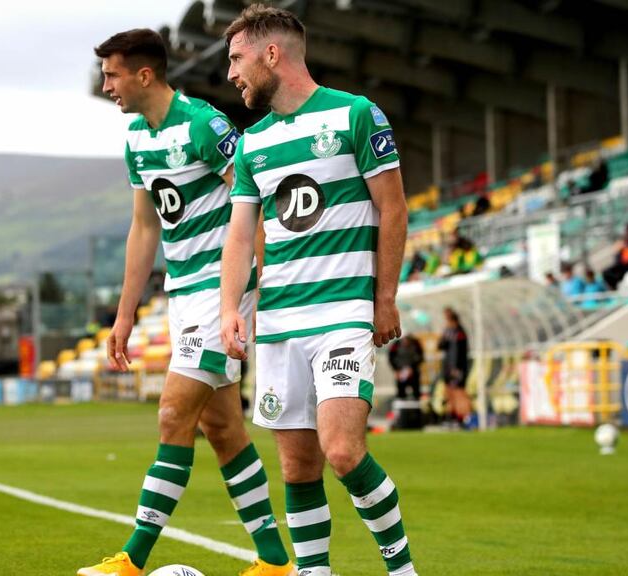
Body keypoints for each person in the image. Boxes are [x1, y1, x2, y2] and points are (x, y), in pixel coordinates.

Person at [79, 28, 292, 576]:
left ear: (144, 74)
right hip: (180, 296)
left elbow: (254, 201)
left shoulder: (204, 126)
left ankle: (132, 558)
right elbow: (144, 227)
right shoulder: (136, 139)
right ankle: (273, 562)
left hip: (224, 291)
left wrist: (263, 286)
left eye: (112, 74)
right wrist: (124, 314)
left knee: (173, 414)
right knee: (222, 430)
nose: (106, 86)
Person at [220, 5, 417, 575]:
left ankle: (402, 568)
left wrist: (384, 297)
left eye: (237, 59)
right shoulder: (252, 144)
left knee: (342, 451)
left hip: (342, 314)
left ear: (271, 54)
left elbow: (394, 208)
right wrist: (232, 308)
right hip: (280, 322)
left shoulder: (356, 115)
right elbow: (239, 239)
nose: (232, 73)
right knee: (298, 467)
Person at [437, 308, 472, 429]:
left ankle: (466, 418)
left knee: (459, 392)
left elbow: (461, 352)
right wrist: (444, 334)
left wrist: (456, 367)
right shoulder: (448, 332)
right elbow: (440, 346)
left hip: (457, 367)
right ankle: (454, 417)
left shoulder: (460, 332)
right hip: (448, 367)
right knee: (450, 392)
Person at [388, 334, 424, 400]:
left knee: (416, 390)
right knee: (401, 391)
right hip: (400, 370)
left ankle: (417, 404)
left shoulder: (416, 343)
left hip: (413, 371)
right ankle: (401, 400)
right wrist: (396, 370)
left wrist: (412, 368)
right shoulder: (396, 345)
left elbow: (421, 357)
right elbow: (391, 358)